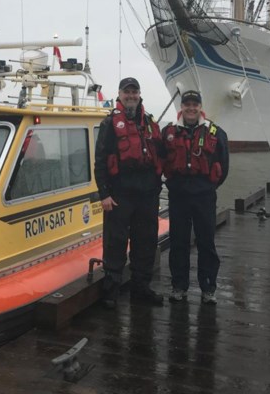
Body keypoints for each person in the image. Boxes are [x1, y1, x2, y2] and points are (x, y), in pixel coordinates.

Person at [93, 77, 165, 308]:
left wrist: (158, 186)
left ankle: (141, 288)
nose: (131, 96)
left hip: (147, 194)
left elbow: (162, 155)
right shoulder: (109, 124)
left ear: (139, 94)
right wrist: (103, 194)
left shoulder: (150, 123)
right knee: (115, 243)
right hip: (119, 194)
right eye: (127, 92)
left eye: (134, 92)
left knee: (145, 243)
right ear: (120, 95)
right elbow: (100, 161)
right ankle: (111, 291)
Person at [161, 90, 229, 305]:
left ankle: (208, 288)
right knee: (178, 242)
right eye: (187, 104)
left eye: (195, 104)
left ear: (201, 107)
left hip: (204, 196)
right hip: (178, 195)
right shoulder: (168, 132)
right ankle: (179, 286)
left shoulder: (216, 133)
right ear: (181, 107)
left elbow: (224, 166)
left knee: (206, 242)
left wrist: (208, 186)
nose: (191, 108)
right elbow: (161, 161)